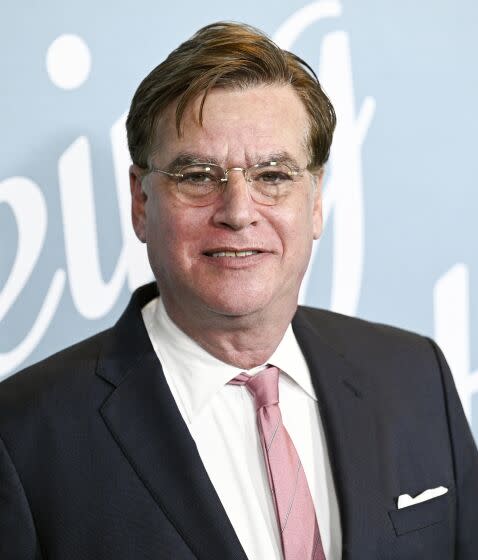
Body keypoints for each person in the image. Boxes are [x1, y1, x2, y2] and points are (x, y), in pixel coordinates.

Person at [0, 21, 477, 560]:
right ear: (141, 201)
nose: (238, 212)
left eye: (272, 175)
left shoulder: (416, 379)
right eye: (198, 176)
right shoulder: (22, 438)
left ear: (315, 199)